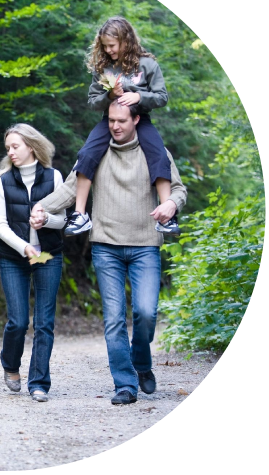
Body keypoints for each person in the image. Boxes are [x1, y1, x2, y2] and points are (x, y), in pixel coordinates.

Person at [31, 100, 187, 405]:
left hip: (145, 245)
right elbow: (69, 189)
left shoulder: (155, 152)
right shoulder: (97, 152)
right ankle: (125, 384)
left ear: (136, 119)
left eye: (122, 121)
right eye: (111, 120)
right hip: (106, 247)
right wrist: (41, 207)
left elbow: (178, 189)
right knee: (114, 319)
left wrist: (171, 204)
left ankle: (141, 362)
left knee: (146, 312)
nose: (115, 126)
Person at [64, 15, 181, 237]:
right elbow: (92, 102)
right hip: (109, 120)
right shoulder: (103, 68)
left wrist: (138, 97)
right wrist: (110, 95)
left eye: (112, 45)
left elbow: (162, 97)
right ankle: (79, 214)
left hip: (140, 119)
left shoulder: (147, 65)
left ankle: (167, 216)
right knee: (86, 154)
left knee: (158, 155)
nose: (108, 50)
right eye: (104, 46)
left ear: (125, 41)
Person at [0, 124, 66, 402]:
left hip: (49, 256)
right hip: (13, 258)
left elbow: (63, 220)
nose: (10, 152)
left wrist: (46, 221)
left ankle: (39, 383)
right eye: (8, 147)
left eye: (15, 146)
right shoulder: (3, 182)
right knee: (18, 322)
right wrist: (24, 247)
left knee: (44, 322)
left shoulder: (55, 177)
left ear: (31, 146)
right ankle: (10, 364)